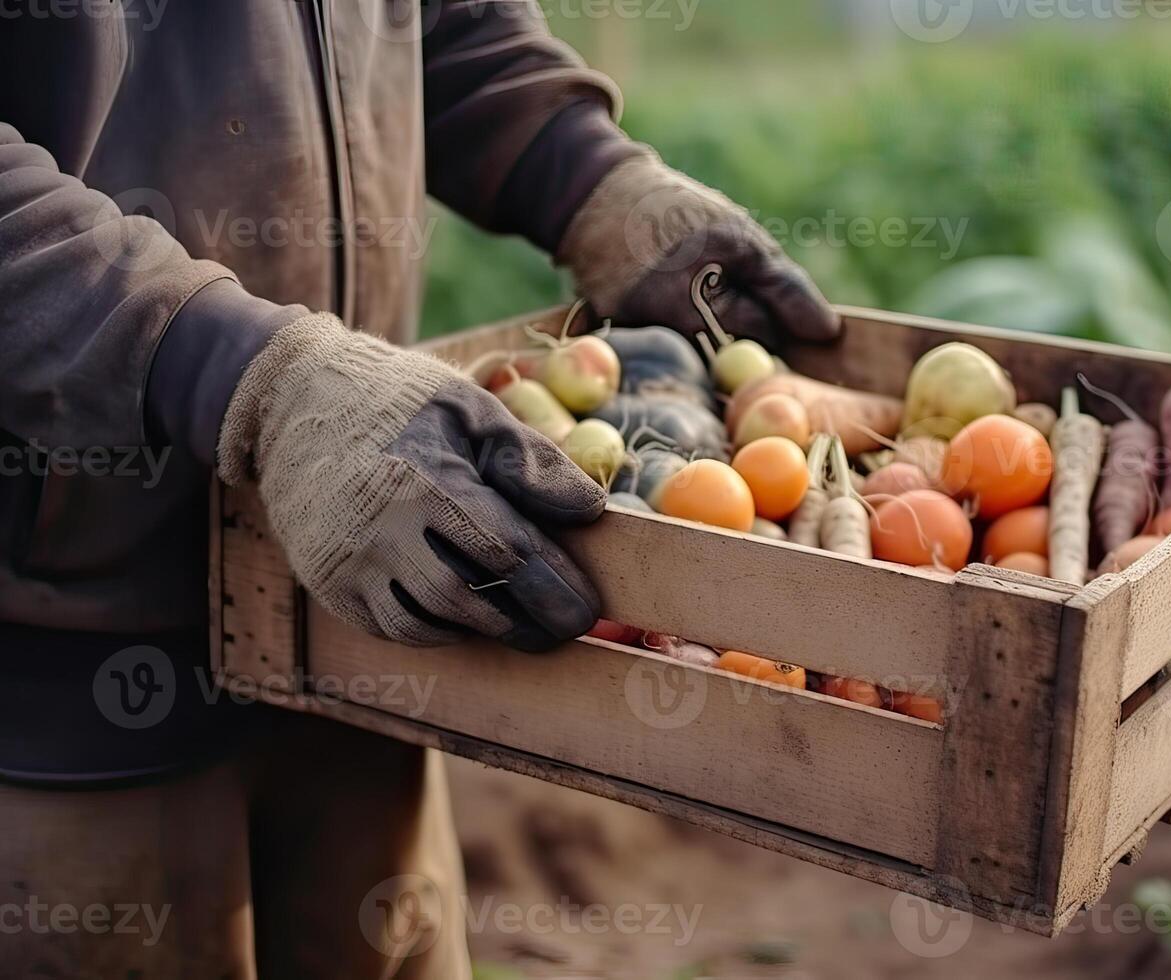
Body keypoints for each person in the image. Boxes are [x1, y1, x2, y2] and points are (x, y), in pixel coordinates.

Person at [0, 4, 839, 975]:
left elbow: (440, 24)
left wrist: (588, 175)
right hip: (69, 677)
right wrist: (242, 377)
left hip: (365, 597)